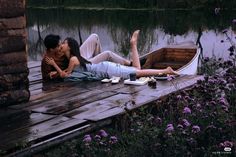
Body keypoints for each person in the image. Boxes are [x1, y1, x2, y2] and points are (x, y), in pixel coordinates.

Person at [46, 30, 178, 80]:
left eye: (63, 43)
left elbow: (66, 75)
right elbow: (68, 72)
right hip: (104, 68)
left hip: (106, 69)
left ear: (69, 46)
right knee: (137, 70)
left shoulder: (73, 59)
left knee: (138, 72)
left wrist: (54, 67)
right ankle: (133, 44)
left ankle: (166, 70)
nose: (61, 45)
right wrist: (58, 71)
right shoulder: (73, 59)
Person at [41, 33, 132, 81]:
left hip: (77, 58)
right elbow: (46, 76)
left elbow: (71, 52)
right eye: (58, 46)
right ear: (51, 49)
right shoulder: (47, 60)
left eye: (61, 43)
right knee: (107, 54)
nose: (60, 46)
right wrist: (54, 73)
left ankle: (97, 63)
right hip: (78, 65)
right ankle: (129, 64)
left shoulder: (60, 49)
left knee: (94, 36)